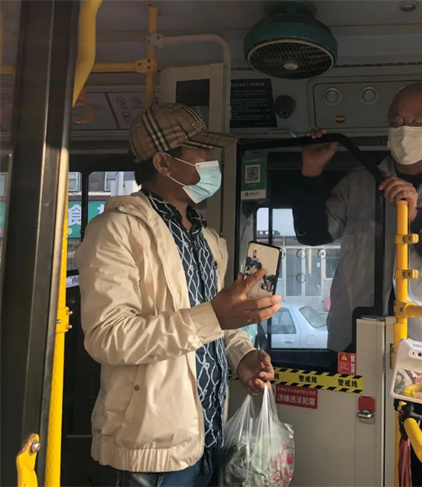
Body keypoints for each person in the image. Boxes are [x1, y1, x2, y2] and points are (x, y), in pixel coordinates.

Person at [292, 83, 422, 485]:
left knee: (417, 455)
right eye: (397, 121)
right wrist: (310, 173)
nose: (405, 129)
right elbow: (311, 233)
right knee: (349, 451)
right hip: (353, 343)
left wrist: (418, 218)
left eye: (418, 121)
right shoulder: (357, 183)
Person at [76, 103, 282, 486]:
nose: (212, 163)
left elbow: (215, 325)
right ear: (164, 163)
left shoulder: (209, 239)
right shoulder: (116, 231)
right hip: (148, 453)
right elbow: (108, 337)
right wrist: (215, 317)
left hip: (207, 437)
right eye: (201, 151)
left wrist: (240, 355)